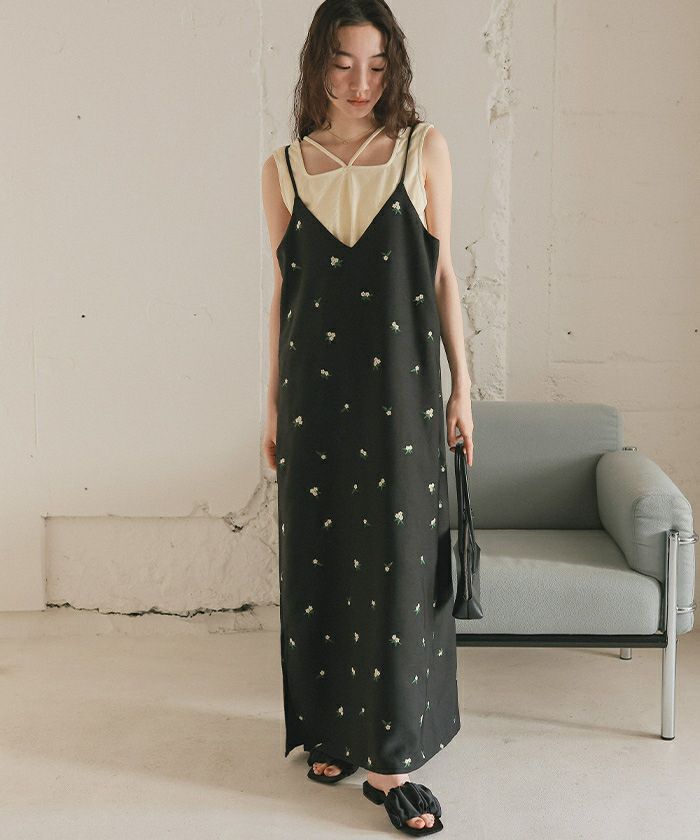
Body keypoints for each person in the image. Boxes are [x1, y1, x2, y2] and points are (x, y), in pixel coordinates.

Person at [261, 1, 474, 834]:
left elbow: (445, 274)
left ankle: (393, 762)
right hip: (312, 397)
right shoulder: (284, 167)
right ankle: (329, 732)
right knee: (320, 557)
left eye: (378, 66)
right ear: (318, 64)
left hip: (403, 396)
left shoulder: (424, 149)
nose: (361, 82)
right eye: (345, 63)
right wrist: (270, 402)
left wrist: (463, 389)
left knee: (397, 565)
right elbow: (285, 292)